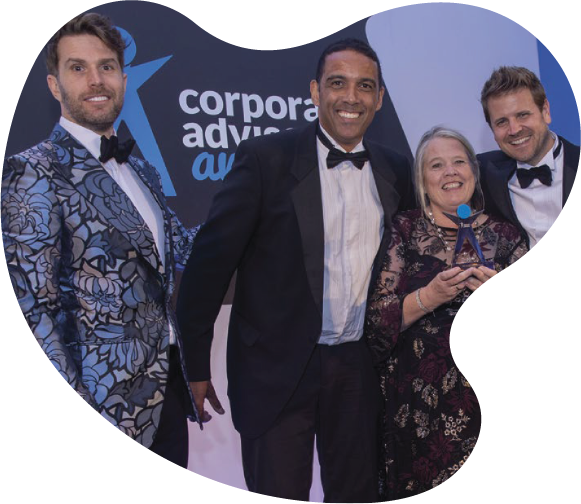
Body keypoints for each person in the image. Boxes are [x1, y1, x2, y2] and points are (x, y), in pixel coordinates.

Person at [176, 38, 415, 503]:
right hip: (277, 369)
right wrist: (196, 364)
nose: (351, 97)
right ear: (314, 91)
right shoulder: (265, 160)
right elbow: (209, 265)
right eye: (337, 83)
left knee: (357, 492)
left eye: (365, 86)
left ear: (380, 98)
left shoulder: (396, 169)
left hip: (360, 368)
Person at [0, 13, 199, 468]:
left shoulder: (142, 169)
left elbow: (183, 251)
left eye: (106, 67)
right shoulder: (33, 170)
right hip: (99, 403)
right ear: (55, 86)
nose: (95, 80)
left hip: (164, 393)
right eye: (78, 68)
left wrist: (256, 208)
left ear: (124, 79)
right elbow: (33, 309)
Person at [365, 126, 528, 500]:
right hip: (418, 405)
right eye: (436, 165)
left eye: (458, 161)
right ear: (422, 181)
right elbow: (377, 320)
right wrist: (430, 295)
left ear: (474, 169)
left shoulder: (507, 235)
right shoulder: (404, 230)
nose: (450, 172)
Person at [478, 66, 580, 248]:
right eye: (502, 122)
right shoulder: (483, 172)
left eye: (522, 115)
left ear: (546, 111)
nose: (514, 129)